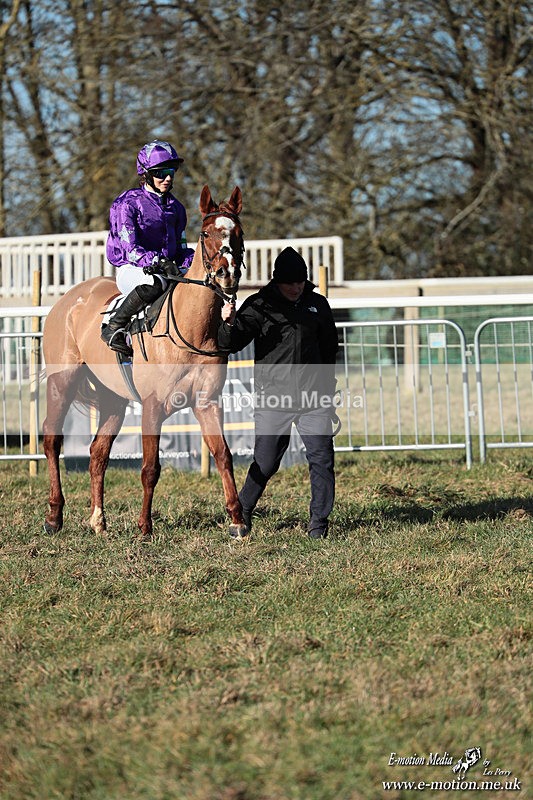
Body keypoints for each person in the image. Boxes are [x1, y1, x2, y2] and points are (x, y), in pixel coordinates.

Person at [219, 246, 339, 539]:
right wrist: (227, 322)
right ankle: (242, 511)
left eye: (300, 282)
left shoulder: (317, 304)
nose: (296, 288)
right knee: (266, 461)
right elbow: (230, 343)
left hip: (314, 399)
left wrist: (328, 389)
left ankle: (318, 526)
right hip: (273, 398)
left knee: (321, 460)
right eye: (290, 283)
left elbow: (329, 347)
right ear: (277, 281)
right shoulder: (259, 305)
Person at [101, 140, 195, 357]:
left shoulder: (177, 208)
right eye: (161, 173)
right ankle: (114, 327)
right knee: (155, 282)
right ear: (146, 174)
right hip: (133, 269)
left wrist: (197, 261)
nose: (168, 177)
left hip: (167, 269)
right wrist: (157, 261)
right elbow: (130, 249)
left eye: (171, 171)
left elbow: (181, 249)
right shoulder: (127, 204)